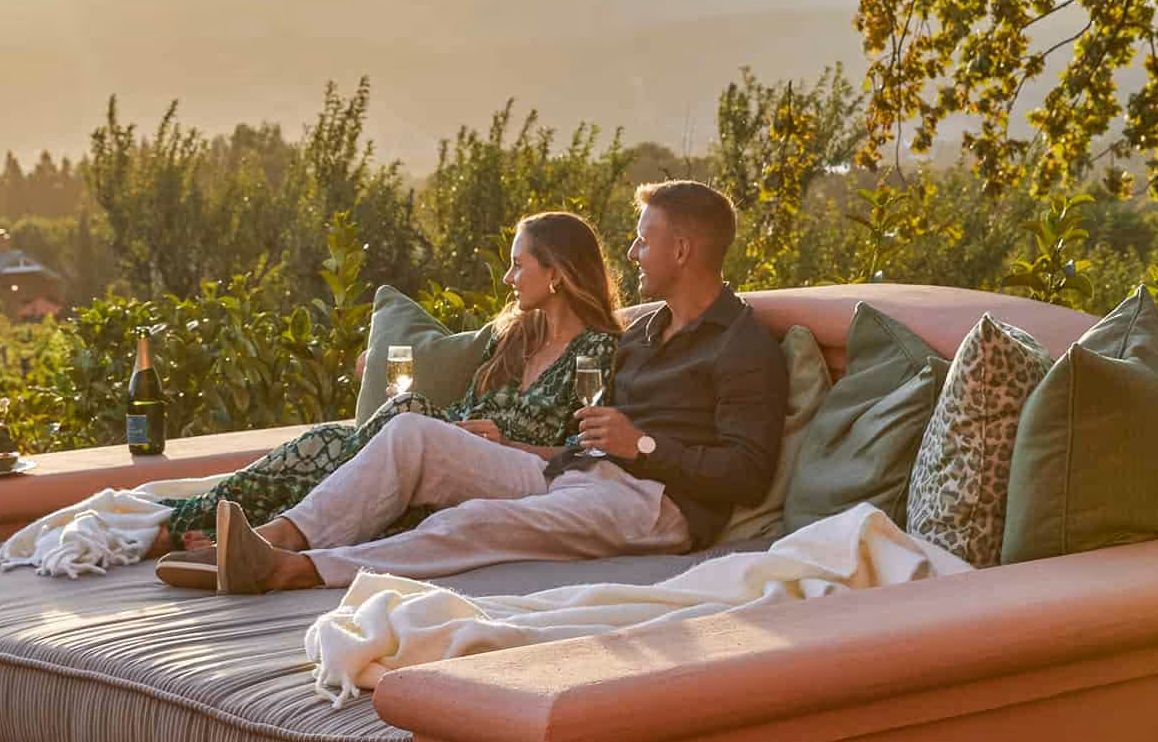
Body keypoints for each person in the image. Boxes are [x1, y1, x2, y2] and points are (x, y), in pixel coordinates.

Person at [207, 179, 788, 594]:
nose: (632, 253)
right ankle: (276, 537)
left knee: (476, 520)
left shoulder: (741, 345)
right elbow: (590, 444)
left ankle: (298, 570)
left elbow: (747, 473)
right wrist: (516, 449)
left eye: (644, 240)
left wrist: (642, 445)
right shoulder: (643, 332)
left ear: (681, 250)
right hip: (583, 474)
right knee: (413, 434)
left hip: (657, 507)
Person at [148, 211, 621, 584]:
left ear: (556, 273)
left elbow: (585, 453)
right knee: (324, 439)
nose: (507, 277)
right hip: (454, 449)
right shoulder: (514, 337)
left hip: (520, 469)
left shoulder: (596, 349)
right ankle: (189, 529)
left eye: (519, 265)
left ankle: (257, 536)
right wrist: (373, 367)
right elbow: (460, 402)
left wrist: (508, 444)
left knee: (405, 413)